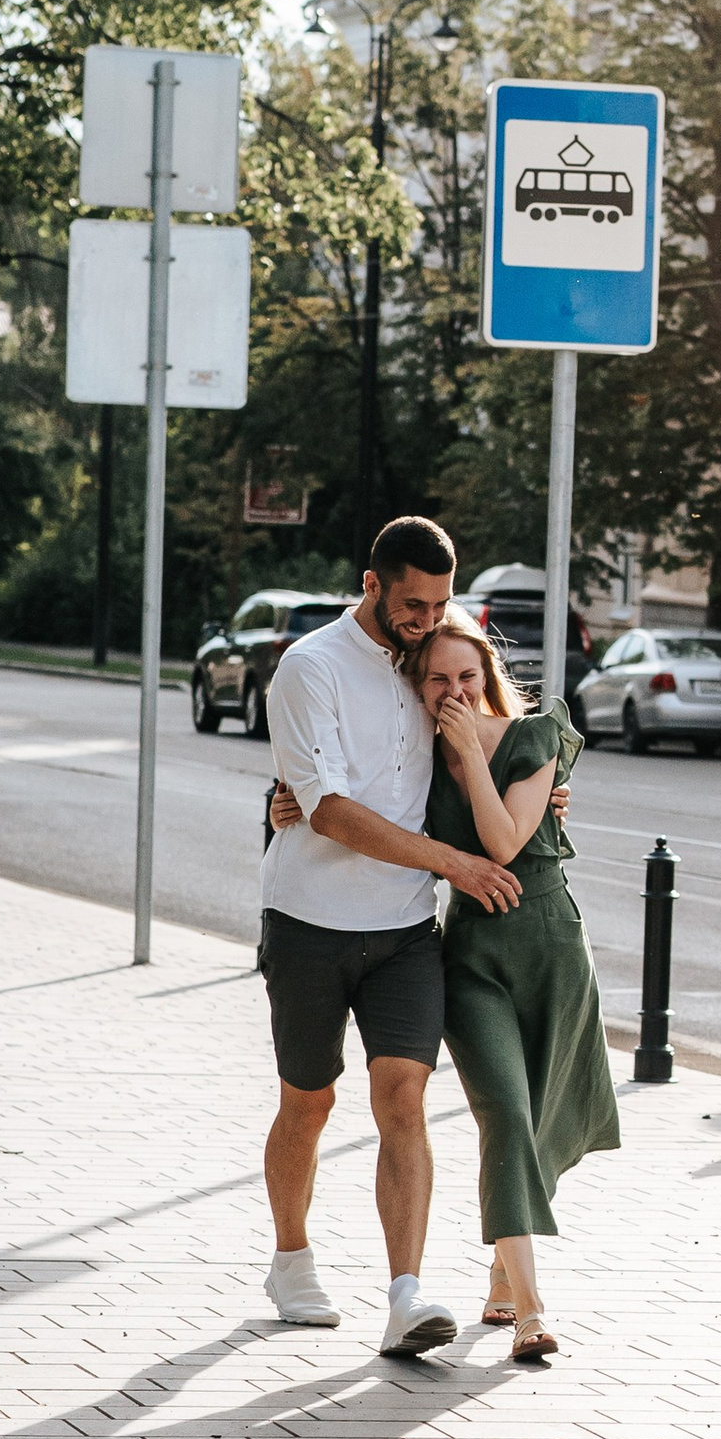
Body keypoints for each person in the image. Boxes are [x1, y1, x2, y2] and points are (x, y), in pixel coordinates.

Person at [258, 517, 517, 1356]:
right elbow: (329, 811)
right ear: (370, 585)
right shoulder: (311, 667)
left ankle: (407, 1296)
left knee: (403, 1098)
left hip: (404, 929)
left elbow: (501, 743)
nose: (427, 619)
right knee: (309, 1101)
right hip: (309, 922)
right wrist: (452, 862)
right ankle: (290, 1260)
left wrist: (546, 791)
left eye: (441, 604)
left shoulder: (428, 667)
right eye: (413, 604)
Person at [413, 612, 621, 1361]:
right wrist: (287, 806)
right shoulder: (412, 758)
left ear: (488, 677)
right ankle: (532, 1311)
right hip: (473, 957)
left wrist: (473, 751)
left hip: (551, 947)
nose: (454, 691)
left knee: (537, 1121)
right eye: (438, 679)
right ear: (417, 686)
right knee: (505, 1110)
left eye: (468, 676)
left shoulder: (535, 738)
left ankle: (505, 1271)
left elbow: (505, 841)